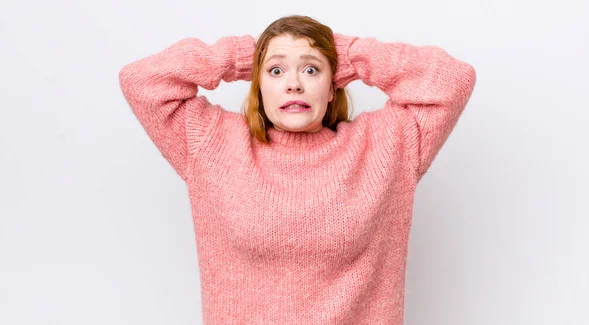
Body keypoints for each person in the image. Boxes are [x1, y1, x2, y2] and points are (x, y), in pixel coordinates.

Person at [118, 14, 476, 325]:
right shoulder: (212, 144)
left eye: (311, 69)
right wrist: (247, 55)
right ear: (259, 86)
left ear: (333, 86)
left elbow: (452, 80)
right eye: (275, 71)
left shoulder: (385, 146)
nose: (294, 83)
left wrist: (349, 54)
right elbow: (142, 81)